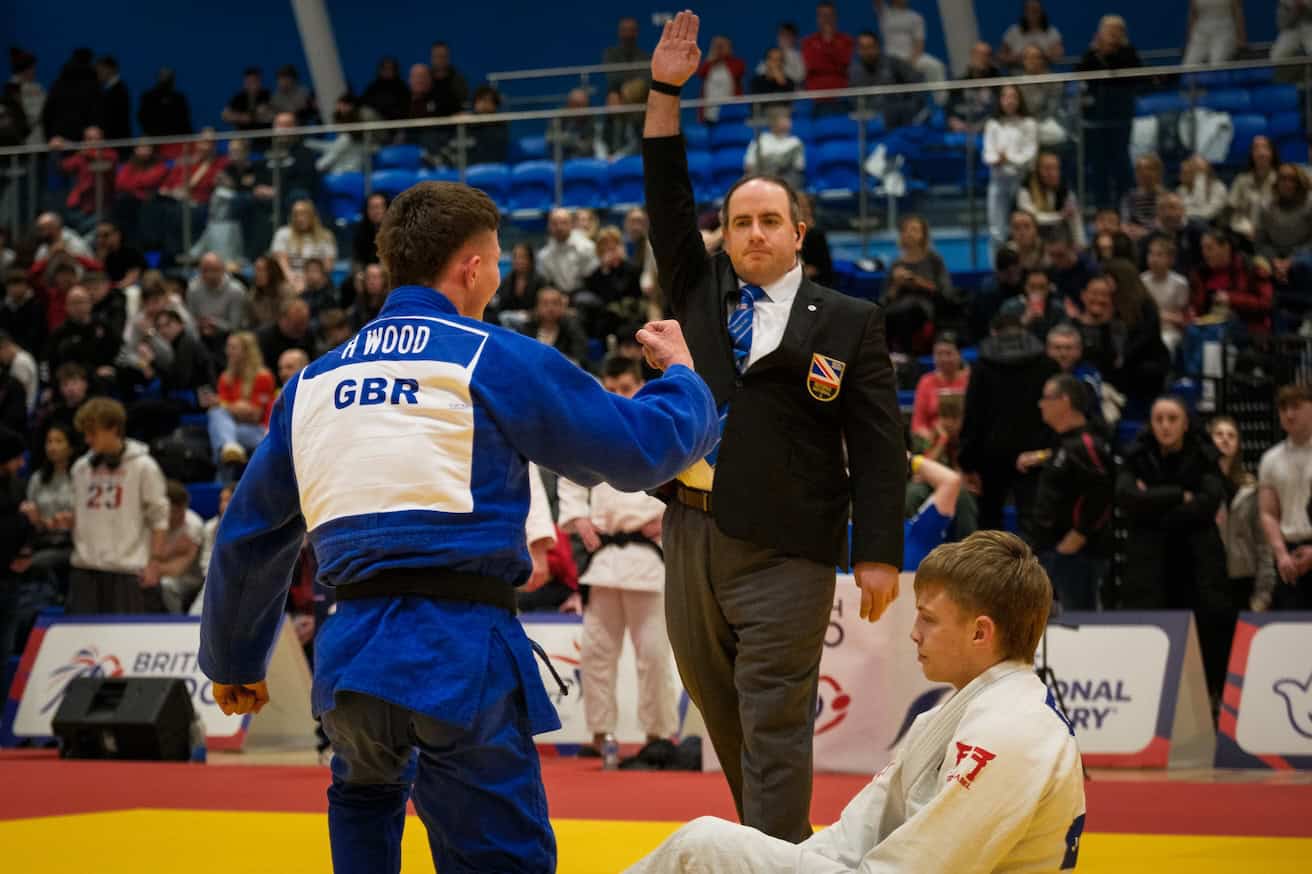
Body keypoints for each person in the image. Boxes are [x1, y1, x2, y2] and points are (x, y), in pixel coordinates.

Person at [198, 177, 719, 874]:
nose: (499, 274)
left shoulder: (312, 384)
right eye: (497, 259)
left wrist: (234, 657)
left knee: (363, 800)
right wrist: (686, 380)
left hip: (349, 657)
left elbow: (250, 534)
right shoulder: (489, 355)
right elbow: (635, 451)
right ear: (471, 266)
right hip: (455, 651)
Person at [641, 12, 905, 843]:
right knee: (723, 715)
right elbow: (665, 189)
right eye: (740, 222)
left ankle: (779, 864)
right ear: (724, 235)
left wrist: (879, 548)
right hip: (689, 536)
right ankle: (768, 850)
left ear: (799, 233)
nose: (753, 233)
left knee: (777, 723)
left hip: (788, 547)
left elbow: (877, 440)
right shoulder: (697, 288)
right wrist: (663, 93)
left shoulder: (849, 320)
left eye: (769, 221)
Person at [625, 530, 1086, 874]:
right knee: (717, 853)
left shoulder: (1010, 731)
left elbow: (917, 869)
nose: (914, 633)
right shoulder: (948, 718)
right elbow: (848, 842)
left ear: (980, 632)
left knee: (702, 846)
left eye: (927, 619)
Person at [558, 356, 678, 757]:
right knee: (596, 652)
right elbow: (571, 480)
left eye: (624, 387)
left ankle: (659, 735)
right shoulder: (589, 433)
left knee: (654, 654)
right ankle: (599, 733)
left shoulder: (659, 427)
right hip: (605, 560)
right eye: (610, 388)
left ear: (639, 386)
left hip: (648, 560)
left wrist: (668, 516)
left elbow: (683, 475)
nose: (617, 396)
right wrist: (579, 519)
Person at [67, 398, 170, 614]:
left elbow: (159, 518)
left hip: (127, 572)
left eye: (92, 433)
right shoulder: (80, 468)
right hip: (85, 570)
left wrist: (154, 563)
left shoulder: (144, 466)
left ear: (113, 428)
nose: (87, 439)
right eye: (85, 433)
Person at [1027, 374, 1116, 610]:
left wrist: (1079, 535)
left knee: (1079, 625)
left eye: (1046, 398)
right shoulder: (1064, 442)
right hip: (1052, 551)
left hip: (1076, 556)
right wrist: (1040, 457)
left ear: (1064, 401)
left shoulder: (1085, 443)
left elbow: (1104, 489)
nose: (1041, 404)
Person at [1210, 416, 1275, 613]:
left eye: (1231, 435)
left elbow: (1263, 543)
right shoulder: (1197, 485)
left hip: (1243, 578)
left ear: (1238, 444)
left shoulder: (1250, 488)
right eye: (1219, 434)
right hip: (1208, 578)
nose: (1225, 439)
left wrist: (1264, 593)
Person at [1258, 383, 1312, 610]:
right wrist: (1281, 554)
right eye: (1283, 408)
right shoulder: (1271, 458)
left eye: (1296, 407)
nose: (1289, 414)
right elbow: (1268, 512)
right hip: (1289, 555)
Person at [984, 85, 1038, 254]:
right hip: (998, 181)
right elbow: (988, 153)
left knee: (1024, 226)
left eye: (1013, 96)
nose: (1009, 100)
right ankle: (998, 268)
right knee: (996, 228)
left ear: (1019, 99)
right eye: (1005, 97)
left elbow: (1029, 154)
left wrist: (1009, 159)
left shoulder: (1029, 123)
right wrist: (996, 159)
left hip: (1022, 181)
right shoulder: (993, 124)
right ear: (1000, 100)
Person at [1184, 0, 1245, 65]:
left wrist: (1240, 38)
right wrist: (1189, 39)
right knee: (1189, 65)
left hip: (1224, 32)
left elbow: (1237, 12)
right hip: (1200, 33)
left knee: (1216, 63)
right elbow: (1193, 14)